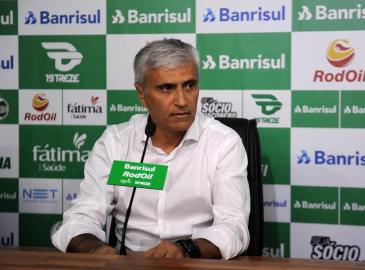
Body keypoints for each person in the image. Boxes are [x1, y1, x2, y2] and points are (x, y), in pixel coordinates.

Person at [52, 38, 250, 260]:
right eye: (167, 88)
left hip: (195, 262)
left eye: (190, 85)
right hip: (128, 264)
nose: (182, 100)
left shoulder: (223, 142)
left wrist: (185, 250)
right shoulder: (115, 142)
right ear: (141, 94)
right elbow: (81, 216)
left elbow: (234, 226)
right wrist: (96, 250)